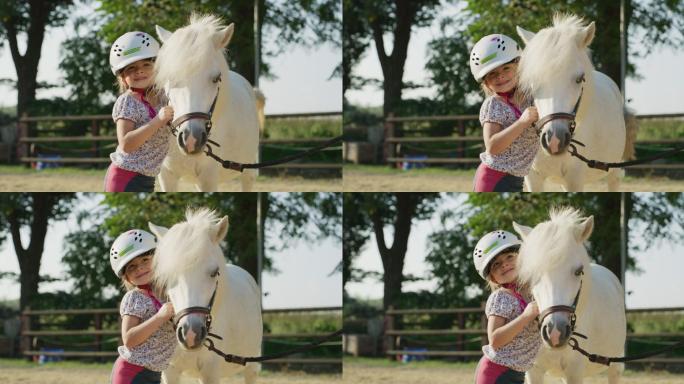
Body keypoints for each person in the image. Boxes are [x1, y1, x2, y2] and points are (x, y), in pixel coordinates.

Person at [105, 31, 174, 192]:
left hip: (148, 177)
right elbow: (126, 144)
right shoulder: (127, 101)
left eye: (146, 65)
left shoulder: (163, 97)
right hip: (125, 177)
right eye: (131, 68)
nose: (140, 71)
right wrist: (158, 120)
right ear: (122, 77)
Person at [469, 34, 539, 192]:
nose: (500, 76)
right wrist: (522, 122)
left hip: (517, 177)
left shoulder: (529, 98)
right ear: (486, 81)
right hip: (493, 178)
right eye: (492, 73)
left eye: (506, 68)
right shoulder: (493, 105)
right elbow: (492, 146)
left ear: (518, 67)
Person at [472, 230, 541, 384]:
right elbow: (495, 340)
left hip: (517, 373)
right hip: (495, 373)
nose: (504, 264)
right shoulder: (501, 298)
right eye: (496, 264)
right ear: (493, 278)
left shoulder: (535, 292)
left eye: (509, 256)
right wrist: (526, 316)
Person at [109, 229, 175, 384]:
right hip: (131, 372)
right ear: (126, 277)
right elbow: (129, 339)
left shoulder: (168, 293)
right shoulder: (135, 298)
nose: (139, 268)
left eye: (145, 260)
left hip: (154, 374)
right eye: (131, 266)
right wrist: (160, 317)